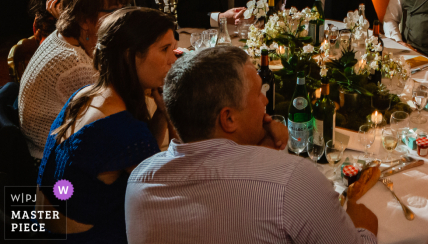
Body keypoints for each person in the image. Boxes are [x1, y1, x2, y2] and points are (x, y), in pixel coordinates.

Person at [125, 46, 378, 244]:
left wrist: (258, 150)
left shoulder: (139, 182)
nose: (266, 101)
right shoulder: (292, 181)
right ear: (229, 118)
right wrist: (364, 229)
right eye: (258, 93)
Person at [35, 8, 178, 243]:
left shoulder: (84, 95)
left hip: (44, 224)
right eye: (165, 49)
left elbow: (137, 155)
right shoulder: (125, 132)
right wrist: (174, 118)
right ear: (130, 55)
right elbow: (170, 191)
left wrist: (162, 113)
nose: (173, 58)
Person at [19, 0, 130, 162]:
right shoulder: (76, 65)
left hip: (52, 140)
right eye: (113, 11)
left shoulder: (63, 36)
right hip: (53, 155)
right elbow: (116, 110)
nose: (123, 17)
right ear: (84, 20)